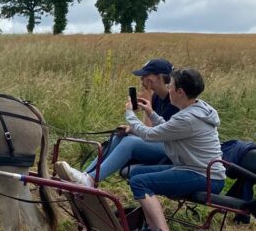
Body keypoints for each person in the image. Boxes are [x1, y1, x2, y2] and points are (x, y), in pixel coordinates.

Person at [116, 68, 225, 231]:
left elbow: (149, 134)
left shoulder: (189, 118)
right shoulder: (195, 110)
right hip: (193, 169)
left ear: (180, 92)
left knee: (140, 182)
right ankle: (152, 229)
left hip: (204, 176)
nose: (168, 89)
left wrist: (130, 113)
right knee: (137, 174)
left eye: (171, 86)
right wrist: (151, 113)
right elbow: (168, 128)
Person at [57, 58, 179, 188]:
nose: (142, 80)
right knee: (119, 137)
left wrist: (146, 100)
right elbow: (148, 132)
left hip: (172, 152)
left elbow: (150, 133)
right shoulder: (157, 97)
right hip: (159, 143)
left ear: (158, 77)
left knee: (130, 142)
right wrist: (131, 129)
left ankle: (90, 180)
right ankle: (85, 176)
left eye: (145, 76)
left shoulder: (175, 102)